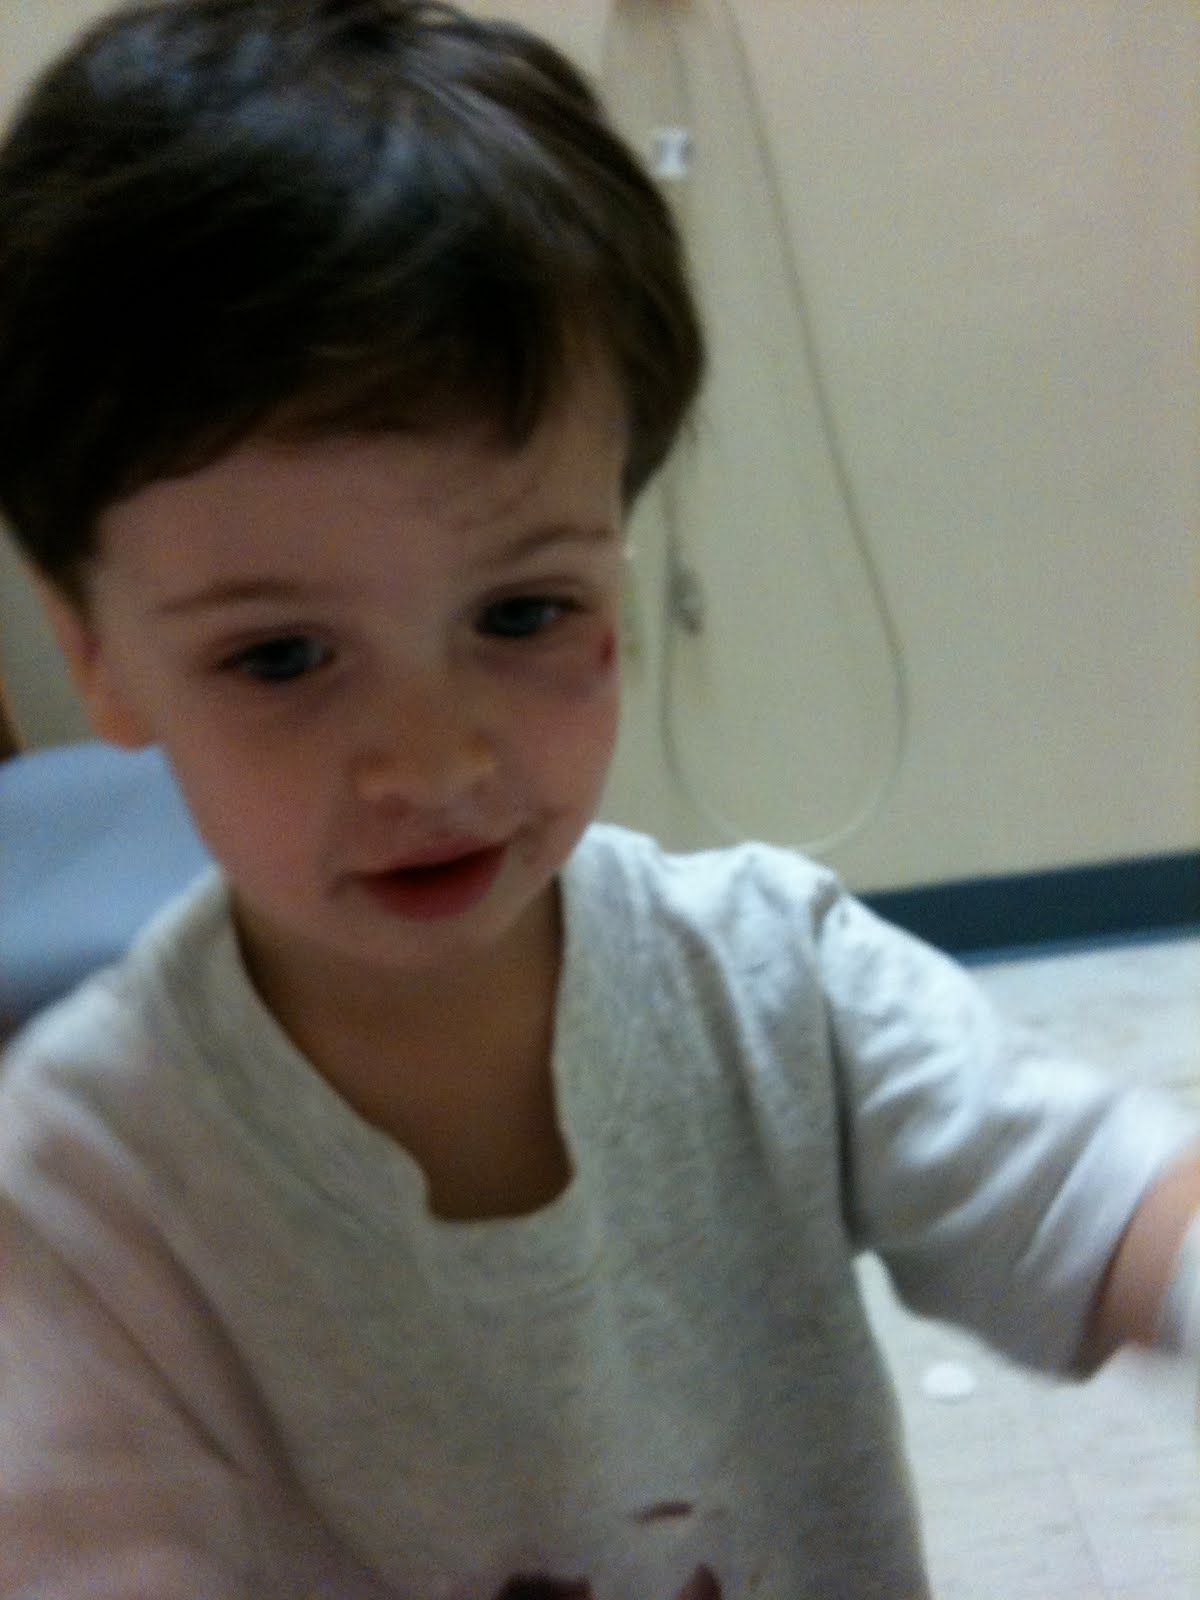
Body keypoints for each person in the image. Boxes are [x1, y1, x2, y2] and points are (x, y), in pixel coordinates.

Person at [0, 3, 1196, 1596]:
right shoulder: (83, 1200)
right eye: (282, 656)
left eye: (522, 614)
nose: (434, 765)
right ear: (99, 658)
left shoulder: (768, 977)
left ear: (618, 585)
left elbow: (1092, 1195)